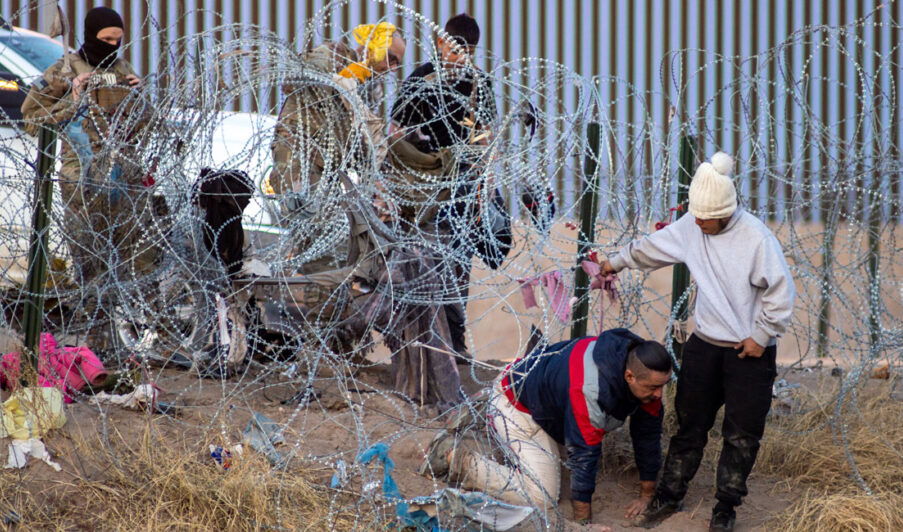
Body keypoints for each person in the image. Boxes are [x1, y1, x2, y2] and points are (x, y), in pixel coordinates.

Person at [599, 152, 795, 532]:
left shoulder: (756, 238)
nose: (701, 223)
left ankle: (725, 508)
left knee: (741, 435)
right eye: (697, 217)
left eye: (708, 219)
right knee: (689, 426)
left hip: (748, 352)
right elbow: (651, 248)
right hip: (705, 345)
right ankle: (669, 495)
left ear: (726, 211)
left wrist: (762, 335)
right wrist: (615, 262)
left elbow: (781, 292)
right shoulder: (692, 225)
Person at [420, 328, 672, 528]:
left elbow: (648, 436)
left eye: (663, 385)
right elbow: (583, 455)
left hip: (544, 398)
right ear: (629, 376)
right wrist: (582, 523)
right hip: (517, 405)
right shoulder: (589, 389)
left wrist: (646, 496)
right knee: (543, 496)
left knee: (560, 460)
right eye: (653, 388)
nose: (659, 393)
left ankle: (489, 427)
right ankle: (458, 461)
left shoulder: (642, 373)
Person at [21, 6, 155, 353]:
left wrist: (140, 100)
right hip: (81, 180)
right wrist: (73, 103)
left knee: (131, 260)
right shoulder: (64, 71)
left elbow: (146, 125)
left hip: (123, 177)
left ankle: (129, 340)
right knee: (91, 262)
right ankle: (95, 342)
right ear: (90, 35)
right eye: (105, 39)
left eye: (118, 40)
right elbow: (31, 119)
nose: (112, 46)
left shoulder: (123, 70)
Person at [389, 13, 498, 362]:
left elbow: (484, 135)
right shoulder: (421, 79)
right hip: (425, 186)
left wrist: (485, 184)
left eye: (467, 50)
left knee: (457, 265)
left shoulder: (478, 83)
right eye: (454, 49)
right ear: (440, 43)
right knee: (421, 263)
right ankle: (415, 345)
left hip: (463, 186)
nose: (460, 56)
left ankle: (454, 345)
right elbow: (397, 130)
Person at [268, 22, 405, 274]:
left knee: (330, 242)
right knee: (323, 235)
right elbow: (293, 77)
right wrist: (341, 78)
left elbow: (362, 142)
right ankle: (315, 302)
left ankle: (318, 300)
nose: (393, 68)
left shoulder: (368, 88)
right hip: (297, 162)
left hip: (326, 170)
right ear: (374, 48)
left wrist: (377, 182)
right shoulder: (334, 55)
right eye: (391, 58)